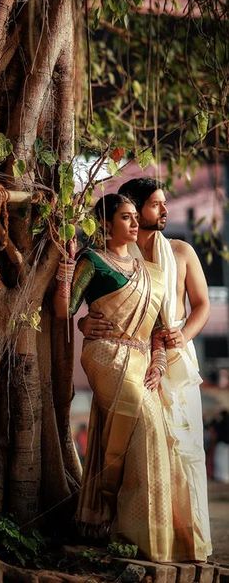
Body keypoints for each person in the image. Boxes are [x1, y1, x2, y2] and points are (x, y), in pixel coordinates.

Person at [54, 193, 207, 562]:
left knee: (154, 439)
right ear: (106, 224)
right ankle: (133, 532)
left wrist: (157, 362)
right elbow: (64, 309)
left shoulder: (145, 270)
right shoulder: (92, 260)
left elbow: (156, 326)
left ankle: (131, 530)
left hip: (142, 359)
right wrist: (65, 269)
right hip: (105, 354)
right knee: (146, 425)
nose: (134, 223)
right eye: (126, 217)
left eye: (136, 217)